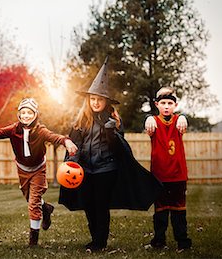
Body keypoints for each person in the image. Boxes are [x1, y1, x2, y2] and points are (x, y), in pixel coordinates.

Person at [59, 58, 163, 253]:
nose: (95, 102)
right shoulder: (81, 120)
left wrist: (111, 132)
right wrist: (73, 162)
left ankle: (100, 242)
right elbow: (75, 145)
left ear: (105, 100)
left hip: (107, 169)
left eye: (99, 99)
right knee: (89, 204)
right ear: (88, 100)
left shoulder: (114, 120)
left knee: (101, 205)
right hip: (85, 170)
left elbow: (119, 149)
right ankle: (94, 238)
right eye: (92, 99)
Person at [0, 97, 78, 246]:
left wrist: (66, 141)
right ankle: (46, 208)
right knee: (30, 198)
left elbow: (54, 137)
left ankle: (33, 240)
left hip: (38, 169)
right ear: (19, 114)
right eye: (23, 113)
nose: (26, 116)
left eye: (29, 112)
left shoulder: (40, 130)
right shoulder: (13, 129)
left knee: (33, 203)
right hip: (22, 170)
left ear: (35, 114)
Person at [144, 87, 192, 252]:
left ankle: (183, 242)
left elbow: (183, 121)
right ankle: (159, 241)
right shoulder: (153, 122)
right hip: (159, 175)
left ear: (175, 105)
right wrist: (148, 117)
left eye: (170, 103)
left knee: (179, 211)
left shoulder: (179, 120)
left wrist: (183, 117)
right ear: (157, 104)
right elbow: (148, 123)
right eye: (163, 103)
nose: (166, 106)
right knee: (160, 212)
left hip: (178, 175)